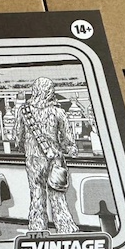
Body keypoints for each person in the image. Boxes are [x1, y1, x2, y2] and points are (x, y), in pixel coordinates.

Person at [13, 77, 79, 233]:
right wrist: (70, 149)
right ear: (50, 92)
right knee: (57, 195)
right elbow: (67, 139)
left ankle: (37, 228)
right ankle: (65, 228)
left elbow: (17, 137)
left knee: (36, 194)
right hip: (54, 159)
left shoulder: (23, 111)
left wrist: (25, 148)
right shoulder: (58, 112)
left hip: (33, 159)